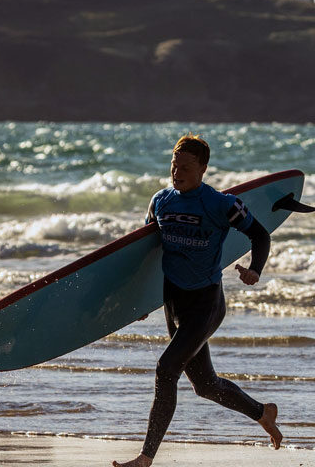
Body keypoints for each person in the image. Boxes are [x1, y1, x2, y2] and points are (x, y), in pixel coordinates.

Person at [113, 134, 282, 467]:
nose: (177, 173)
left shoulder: (221, 204)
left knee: (166, 370)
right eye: (174, 166)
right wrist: (141, 301)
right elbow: (147, 253)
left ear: (203, 169)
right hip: (172, 302)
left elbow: (260, 234)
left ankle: (146, 458)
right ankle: (262, 413)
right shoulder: (160, 201)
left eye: (186, 167)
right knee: (205, 385)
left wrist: (256, 270)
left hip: (206, 303)